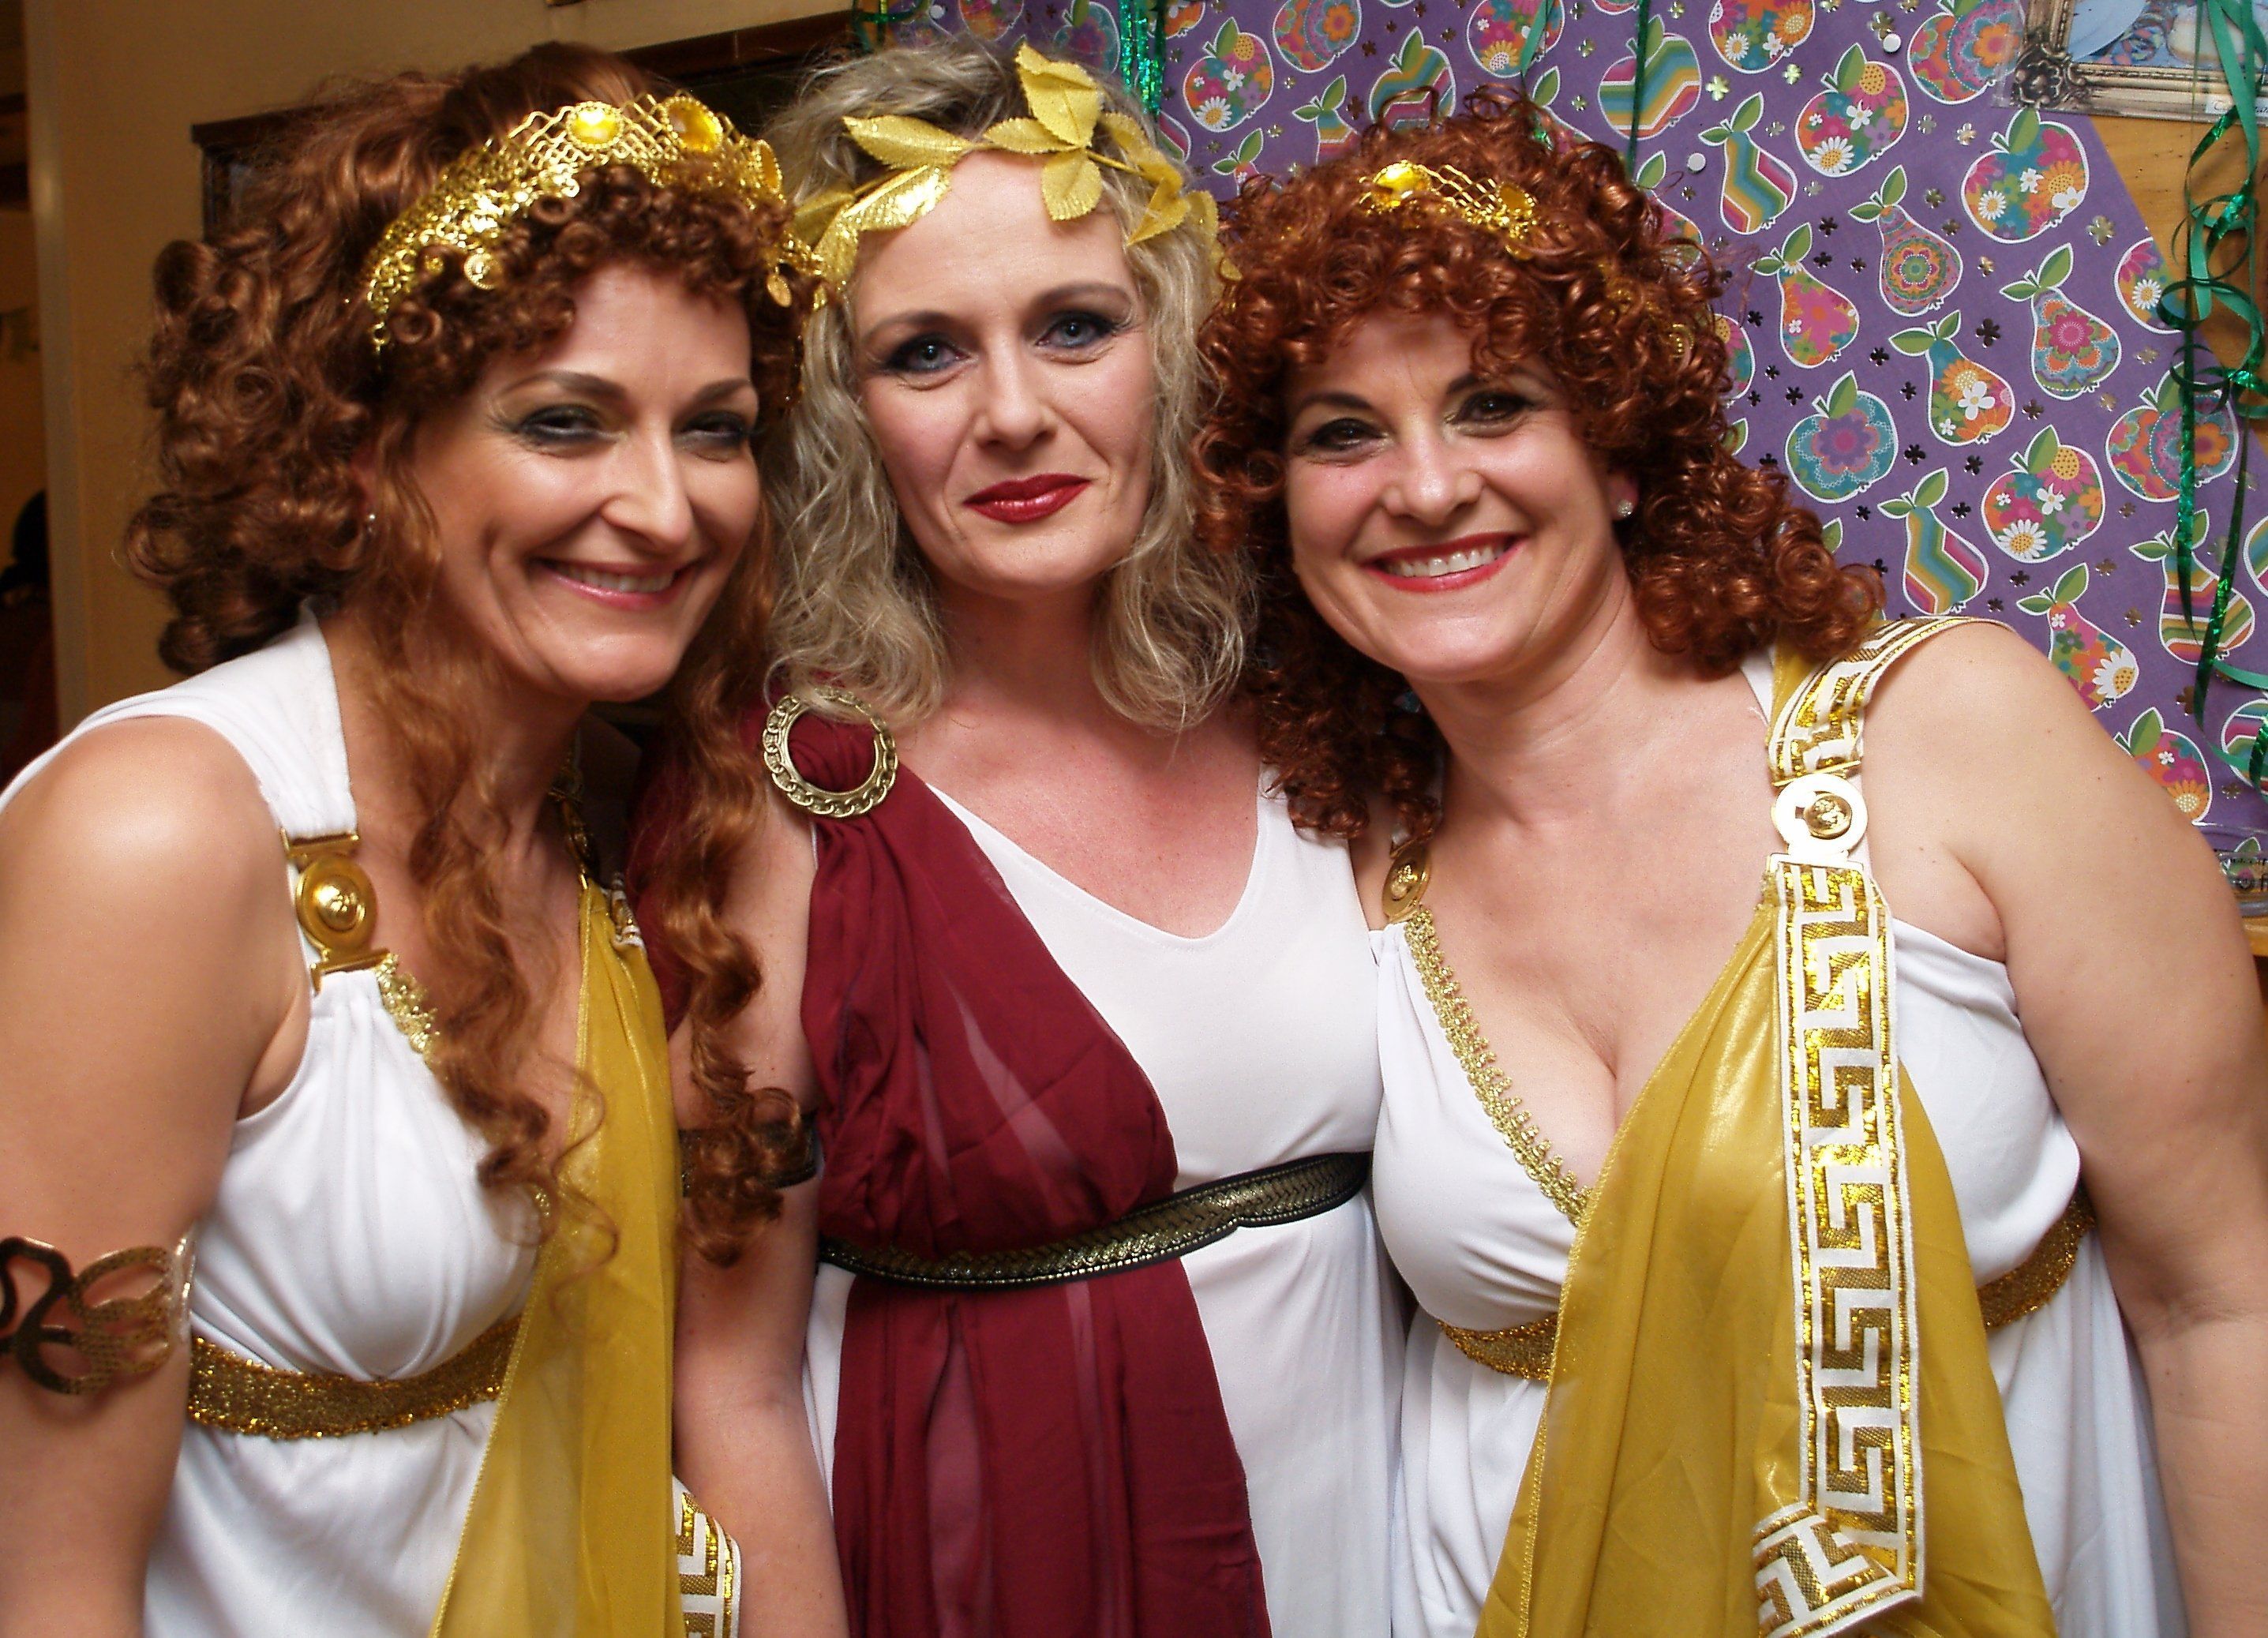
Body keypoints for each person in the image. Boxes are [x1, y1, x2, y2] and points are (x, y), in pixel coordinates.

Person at [1192, 96, 2268, 1638]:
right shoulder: (1346, 870)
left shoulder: (1944, 738)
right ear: (1277, 508)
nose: (1423, 488)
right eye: (1342, 433)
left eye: (1493, 404)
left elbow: (2223, 1303)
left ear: (1621, 453)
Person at [0, 44, 823, 1635]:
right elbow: (49, 1590)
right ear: (366, 448)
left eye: (715, 431)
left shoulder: (611, 810)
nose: (667, 509)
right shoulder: (161, 840)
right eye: (567, 422)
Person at [632, 38, 1401, 1638]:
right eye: (924, 353)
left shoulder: (1322, 707)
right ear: (842, 418)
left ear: (1170, 351)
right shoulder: (786, 801)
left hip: (1381, 1555)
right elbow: (730, 1381)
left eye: (1074, 327)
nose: (1012, 414)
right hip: (985, 1572)